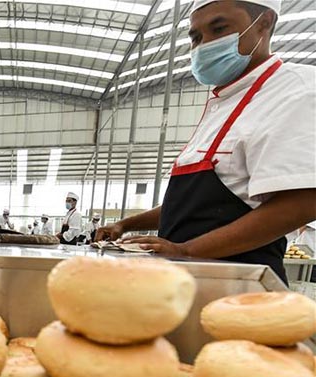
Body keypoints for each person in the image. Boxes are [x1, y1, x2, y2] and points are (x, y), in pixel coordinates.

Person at [97, 0, 315, 284]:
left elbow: (304, 201)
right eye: (196, 37)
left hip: (239, 284)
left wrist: (187, 250)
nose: (204, 45)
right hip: (190, 278)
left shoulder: (296, 90)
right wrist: (125, 224)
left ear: (264, 23)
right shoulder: (223, 101)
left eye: (219, 28)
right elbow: (197, 209)